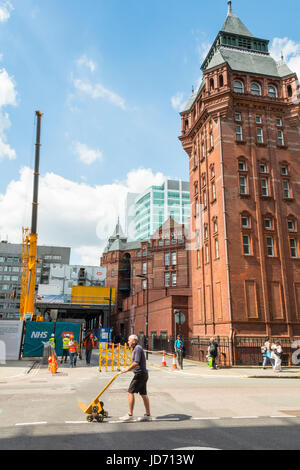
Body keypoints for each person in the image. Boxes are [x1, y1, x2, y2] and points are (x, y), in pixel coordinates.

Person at [119, 334, 151, 422]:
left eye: (129, 340)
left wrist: (126, 369)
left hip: (140, 374)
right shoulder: (136, 348)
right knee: (143, 394)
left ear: (134, 341)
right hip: (143, 374)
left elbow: (136, 362)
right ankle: (148, 415)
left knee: (130, 392)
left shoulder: (137, 348)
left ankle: (130, 415)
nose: (128, 342)